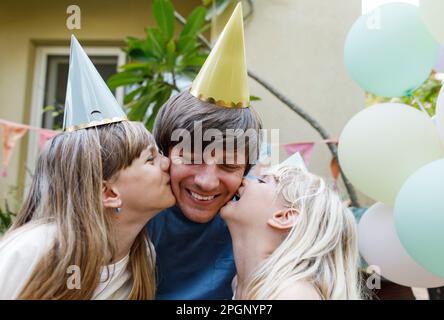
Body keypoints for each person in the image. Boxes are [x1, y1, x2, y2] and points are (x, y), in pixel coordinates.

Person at [0, 36, 175, 299]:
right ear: (108, 193)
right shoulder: (32, 251)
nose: (168, 163)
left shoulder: (140, 259)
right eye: (150, 159)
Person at [146, 3, 262, 299]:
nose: (207, 182)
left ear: (246, 172)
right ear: (164, 154)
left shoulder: (261, 217)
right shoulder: (135, 210)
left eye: (229, 166)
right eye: (192, 158)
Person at [220, 158, 363, 299]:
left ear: (285, 217)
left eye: (262, 181)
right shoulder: (239, 284)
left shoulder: (293, 294)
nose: (244, 181)